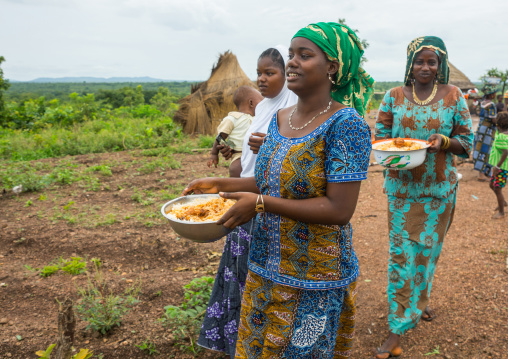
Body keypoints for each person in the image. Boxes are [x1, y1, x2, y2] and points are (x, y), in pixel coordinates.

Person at [185, 21, 374, 358]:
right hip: (264, 267)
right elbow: (271, 181)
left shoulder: (348, 125)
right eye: (290, 55)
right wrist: (219, 184)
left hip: (313, 276)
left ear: (332, 67)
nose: (293, 62)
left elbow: (339, 209)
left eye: (305, 55)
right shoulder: (280, 118)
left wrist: (260, 204)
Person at [373, 36, 473, 359]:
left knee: (428, 255)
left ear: (441, 64)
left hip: (439, 192)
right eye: (420, 61)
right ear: (410, 64)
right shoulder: (393, 96)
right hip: (402, 191)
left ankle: (419, 303)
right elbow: (380, 137)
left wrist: (445, 141)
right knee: (402, 257)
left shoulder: (454, 96)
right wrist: (394, 149)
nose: (425, 67)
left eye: (432, 62)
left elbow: (467, 142)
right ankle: (396, 329)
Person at [197, 46, 297, 358]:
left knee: (263, 282)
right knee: (241, 275)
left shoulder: (292, 108)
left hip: (270, 205)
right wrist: (232, 163)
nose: (262, 78)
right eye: (260, 73)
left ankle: (264, 345)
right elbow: (250, 162)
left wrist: (272, 144)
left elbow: (297, 160)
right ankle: (239, 343)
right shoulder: (264, 108)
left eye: (270, 73)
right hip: (248, 197)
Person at [207, 86, 263, 177]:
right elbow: (220, 137)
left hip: (256, 154)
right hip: (239, 154)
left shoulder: (258, 119)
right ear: (251, 103)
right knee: (236, 168)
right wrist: (214, 153)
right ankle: (235, 188)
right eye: (261, 103)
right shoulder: (232, 119)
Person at [472, 84, 498, 181]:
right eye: (494, 93)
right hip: (488, 131)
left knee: (480, 150)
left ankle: (483, 172)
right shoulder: (491, 105)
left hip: (481, 130)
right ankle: (482, 175)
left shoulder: (482, 103)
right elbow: (493, 120)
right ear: (491, 95)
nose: (495, 94)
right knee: (487, 151)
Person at [489, 111, 508, 219]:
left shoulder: (501, 137)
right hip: (502, 166)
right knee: (492, 185)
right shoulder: (503, 134)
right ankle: (503, 202)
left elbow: (505, 152)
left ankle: (501, 212)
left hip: (501, 167)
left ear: (498, 125)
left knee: (497, 188)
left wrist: (497, 167)